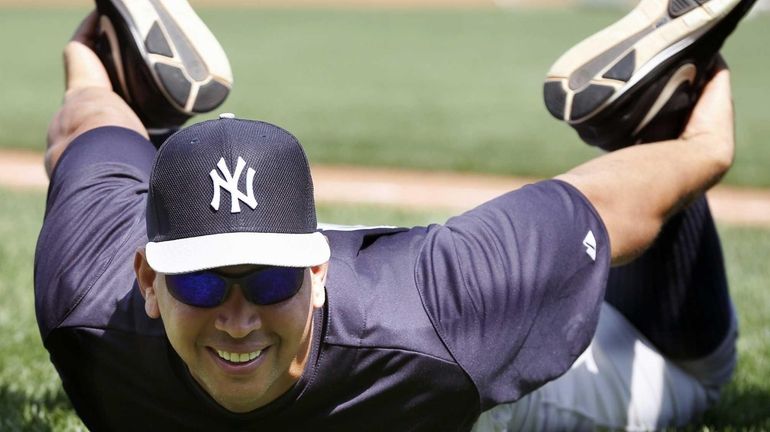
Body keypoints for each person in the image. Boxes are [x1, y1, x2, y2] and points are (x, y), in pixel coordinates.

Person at [35, 1, 743, 430]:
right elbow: (88, 139)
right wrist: (90, 67)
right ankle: (158, 106)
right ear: (146, 281)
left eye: (270, 280)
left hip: (488, 377)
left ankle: (649, 114)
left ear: (316, 271)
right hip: (360, 300)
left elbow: (605, 208)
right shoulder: (86, 295)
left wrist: (702, 147)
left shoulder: (437, 314)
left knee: (695, 376)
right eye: (199, 284)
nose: (238, 317)